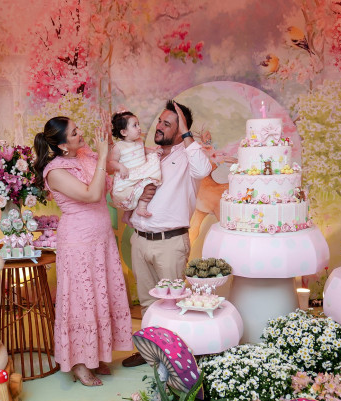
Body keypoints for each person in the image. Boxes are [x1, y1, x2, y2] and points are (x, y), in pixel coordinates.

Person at [33, 117, 133, 386]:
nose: (81, 134)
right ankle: (78, 363)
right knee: (82, 300)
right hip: (79, 243)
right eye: (74, 133)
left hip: (101, 240)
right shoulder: (55, 171)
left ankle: (95, 356)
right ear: (62, 145)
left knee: (101, 296)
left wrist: (106, 146)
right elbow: (91, 194)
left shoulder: (84, 156)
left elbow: (107, 177)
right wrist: (101, 155)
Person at [121, 100, 212, 367]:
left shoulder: (189, 157)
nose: (159, 127)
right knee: (147, 303)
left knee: (173, 305)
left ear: (181, 129)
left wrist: (187, 133)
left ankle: (175, 361)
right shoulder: (148, 154)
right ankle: (150, 352)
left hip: (170, 243)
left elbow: (204, 170)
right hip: (140, 239)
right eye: (160, 121)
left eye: (167, 124)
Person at [108, 111, 162, 223]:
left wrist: (152, 151)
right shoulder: (118, 147)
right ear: (124, 132)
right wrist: (120, 167)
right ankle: (128, 215)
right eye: (135, 125)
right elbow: (112, 162)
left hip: (140, 173)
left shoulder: (139, 141)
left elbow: (142, 150)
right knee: (134, 194)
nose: (139, 128)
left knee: (148, 185)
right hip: (128, 177)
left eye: (138, 124)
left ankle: (141, 208)